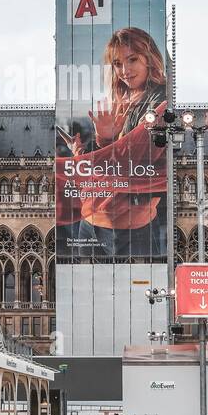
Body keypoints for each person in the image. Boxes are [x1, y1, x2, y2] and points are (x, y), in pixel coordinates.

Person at [56, 26, 168, 260]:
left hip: (134, 229)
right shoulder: (120, 100)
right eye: (117, 64)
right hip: (91, 222)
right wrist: (99, 142)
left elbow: (131, 164)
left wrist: (98, 147)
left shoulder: (161, 106)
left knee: (143, 294)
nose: (124, 71)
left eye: (132, 59)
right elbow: (105, 169)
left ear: (150, 59)